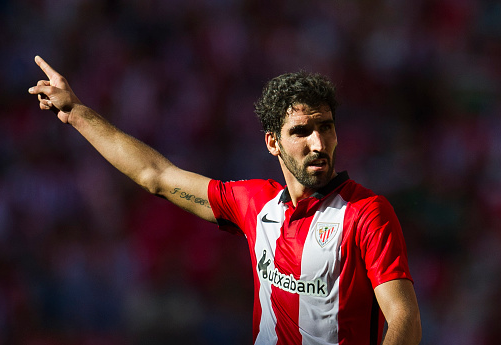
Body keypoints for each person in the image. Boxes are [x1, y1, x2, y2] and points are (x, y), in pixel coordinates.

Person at [28, 55, 421, 345]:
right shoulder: (255, 205)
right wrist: (77, 113)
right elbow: (157, 176)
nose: (318, 143)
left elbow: (403, 318)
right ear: (273, 143)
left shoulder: (367, 214)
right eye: (301, 131)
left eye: (326, 127)